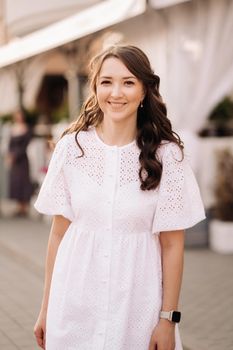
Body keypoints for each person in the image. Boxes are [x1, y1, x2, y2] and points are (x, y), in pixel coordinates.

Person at [33, 45, 205, 350]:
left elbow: (172, 245)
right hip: (73, 308)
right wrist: (46, 309)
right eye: (107, 82)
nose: (116, 92)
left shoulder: (168, 156)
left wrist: (167, 320)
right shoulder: (72, 149)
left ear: (144, 91)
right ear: (95, 87)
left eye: (128, 82)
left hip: (137, 311)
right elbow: (58, 235)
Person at [6, 109, 32, 216]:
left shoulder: (27, 129)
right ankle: (19, 206)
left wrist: (15, 156)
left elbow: (25, 146)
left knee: (23, 181)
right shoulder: (13, 129)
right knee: (16, 182)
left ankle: (24, 206)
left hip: (22, 159)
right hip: (14, 160)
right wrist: (9, 156)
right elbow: (10, 145)